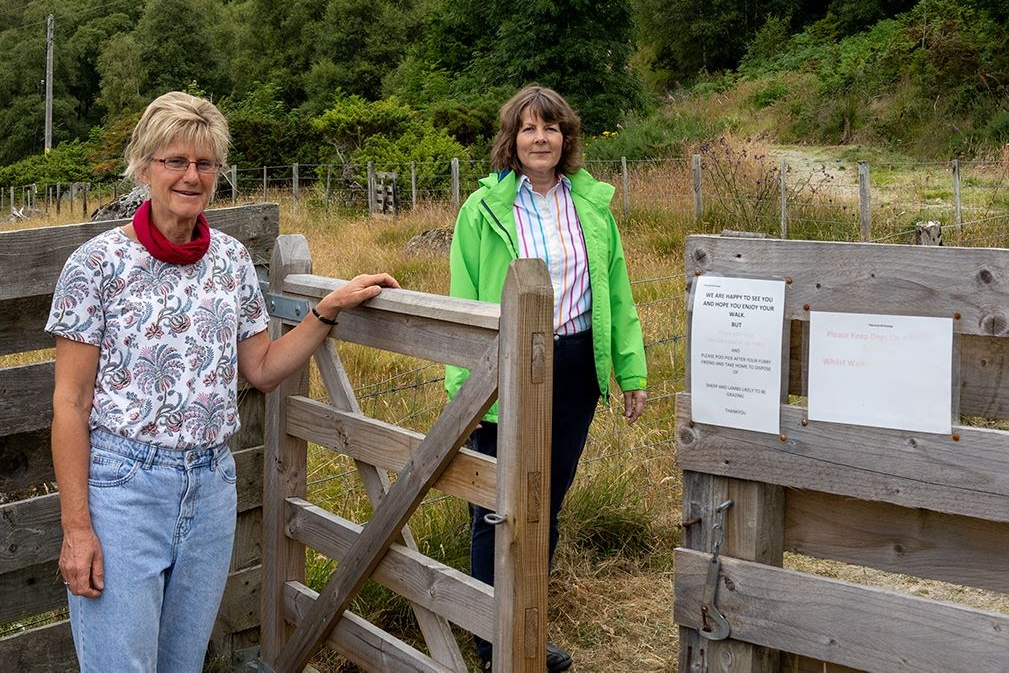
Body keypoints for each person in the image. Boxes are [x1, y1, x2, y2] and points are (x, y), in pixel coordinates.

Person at [47, 91, 398, 672]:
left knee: (182, 663)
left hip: (210, 485)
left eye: (205, 163)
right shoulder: (96, 265)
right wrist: (76, 527)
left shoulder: (231, 261)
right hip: (124, 486)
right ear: (143, 167)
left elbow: (259, 367)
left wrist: (327, 309)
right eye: (175, 161)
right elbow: (70, 401)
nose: (191, 175)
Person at [445, 85, 647, 671]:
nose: (541, 138)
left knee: (545, 501)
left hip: (576, 362)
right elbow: (464, 299)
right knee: (496, 503)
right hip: (507, 367)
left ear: (566, 138)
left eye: (552, 128)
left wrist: (629, 371)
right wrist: (467, 395)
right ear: (512, 140)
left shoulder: (592, 207)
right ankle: (492, 640)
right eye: (529, 128)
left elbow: (617, 291)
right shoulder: (481, 211)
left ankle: (526, 624)